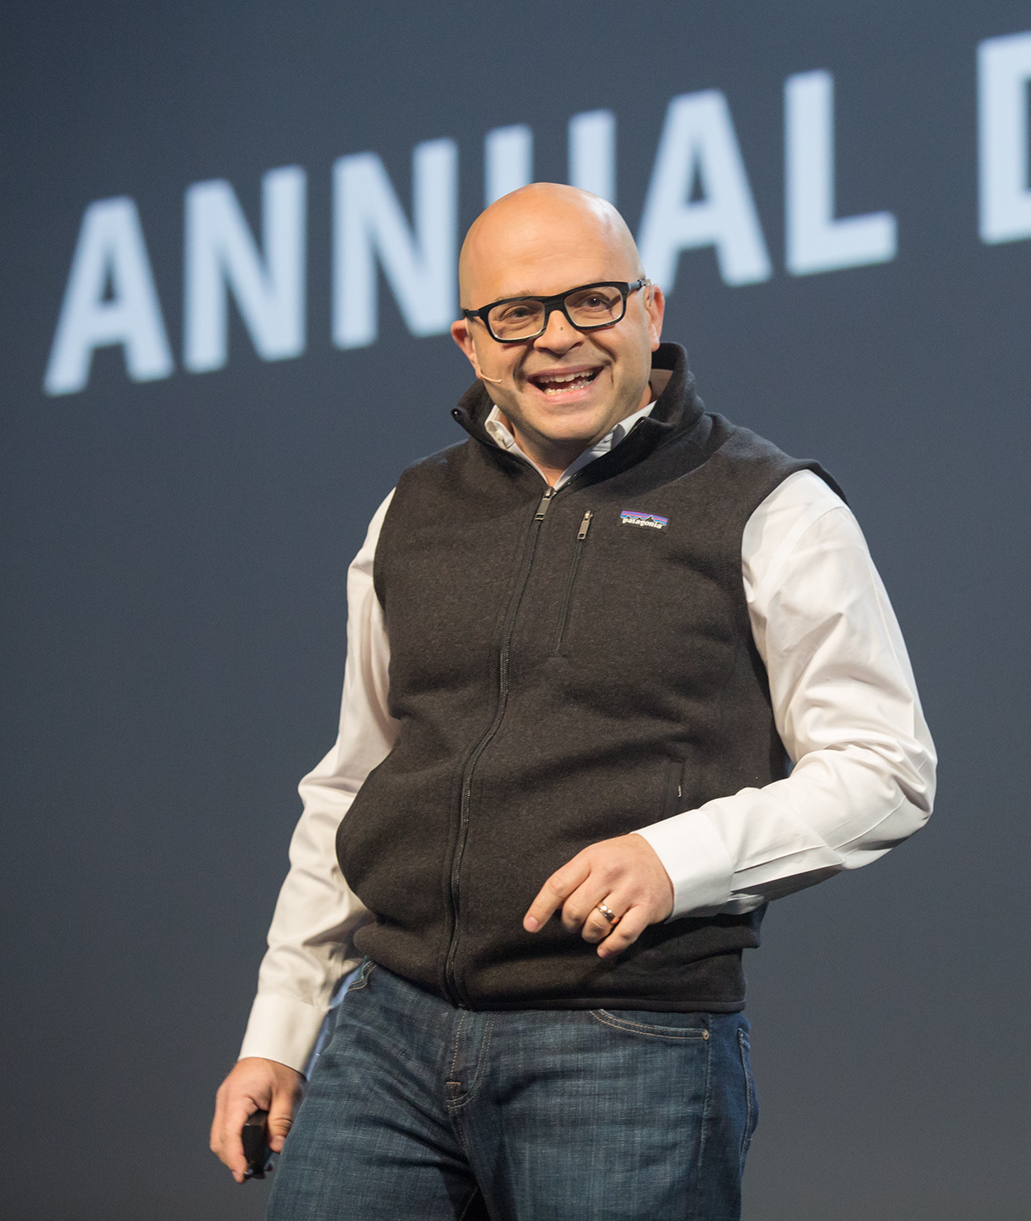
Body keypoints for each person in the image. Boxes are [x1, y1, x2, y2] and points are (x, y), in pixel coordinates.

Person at [207, 183, 936, 1220]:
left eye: (592, 300)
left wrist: (675, 859)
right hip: (386, 1035)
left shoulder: (772, 506)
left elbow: (885, 769)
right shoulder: (412, 510)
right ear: (470, 343)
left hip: (625, 1040)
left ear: (650, 309)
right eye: (517, 313)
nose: (558, 337)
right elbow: (357, 781)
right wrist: (281, 1029)